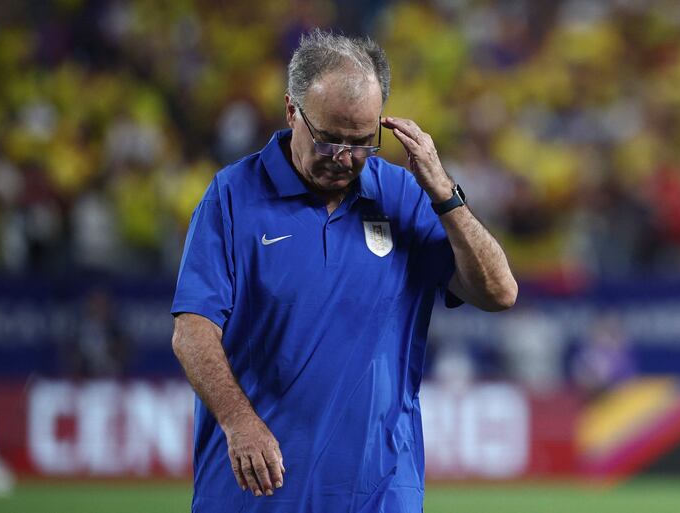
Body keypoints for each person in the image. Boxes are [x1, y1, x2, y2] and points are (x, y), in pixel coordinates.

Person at [171, 29, 517, 513]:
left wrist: (444, 193)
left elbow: (500, 292)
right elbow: (192, 332)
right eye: (330, 139)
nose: (345, 158)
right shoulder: (232, 197)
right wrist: (238, 422)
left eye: (362, 142)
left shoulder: (404, 197)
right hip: (257, 488)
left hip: (379, 491)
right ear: (292, 110)